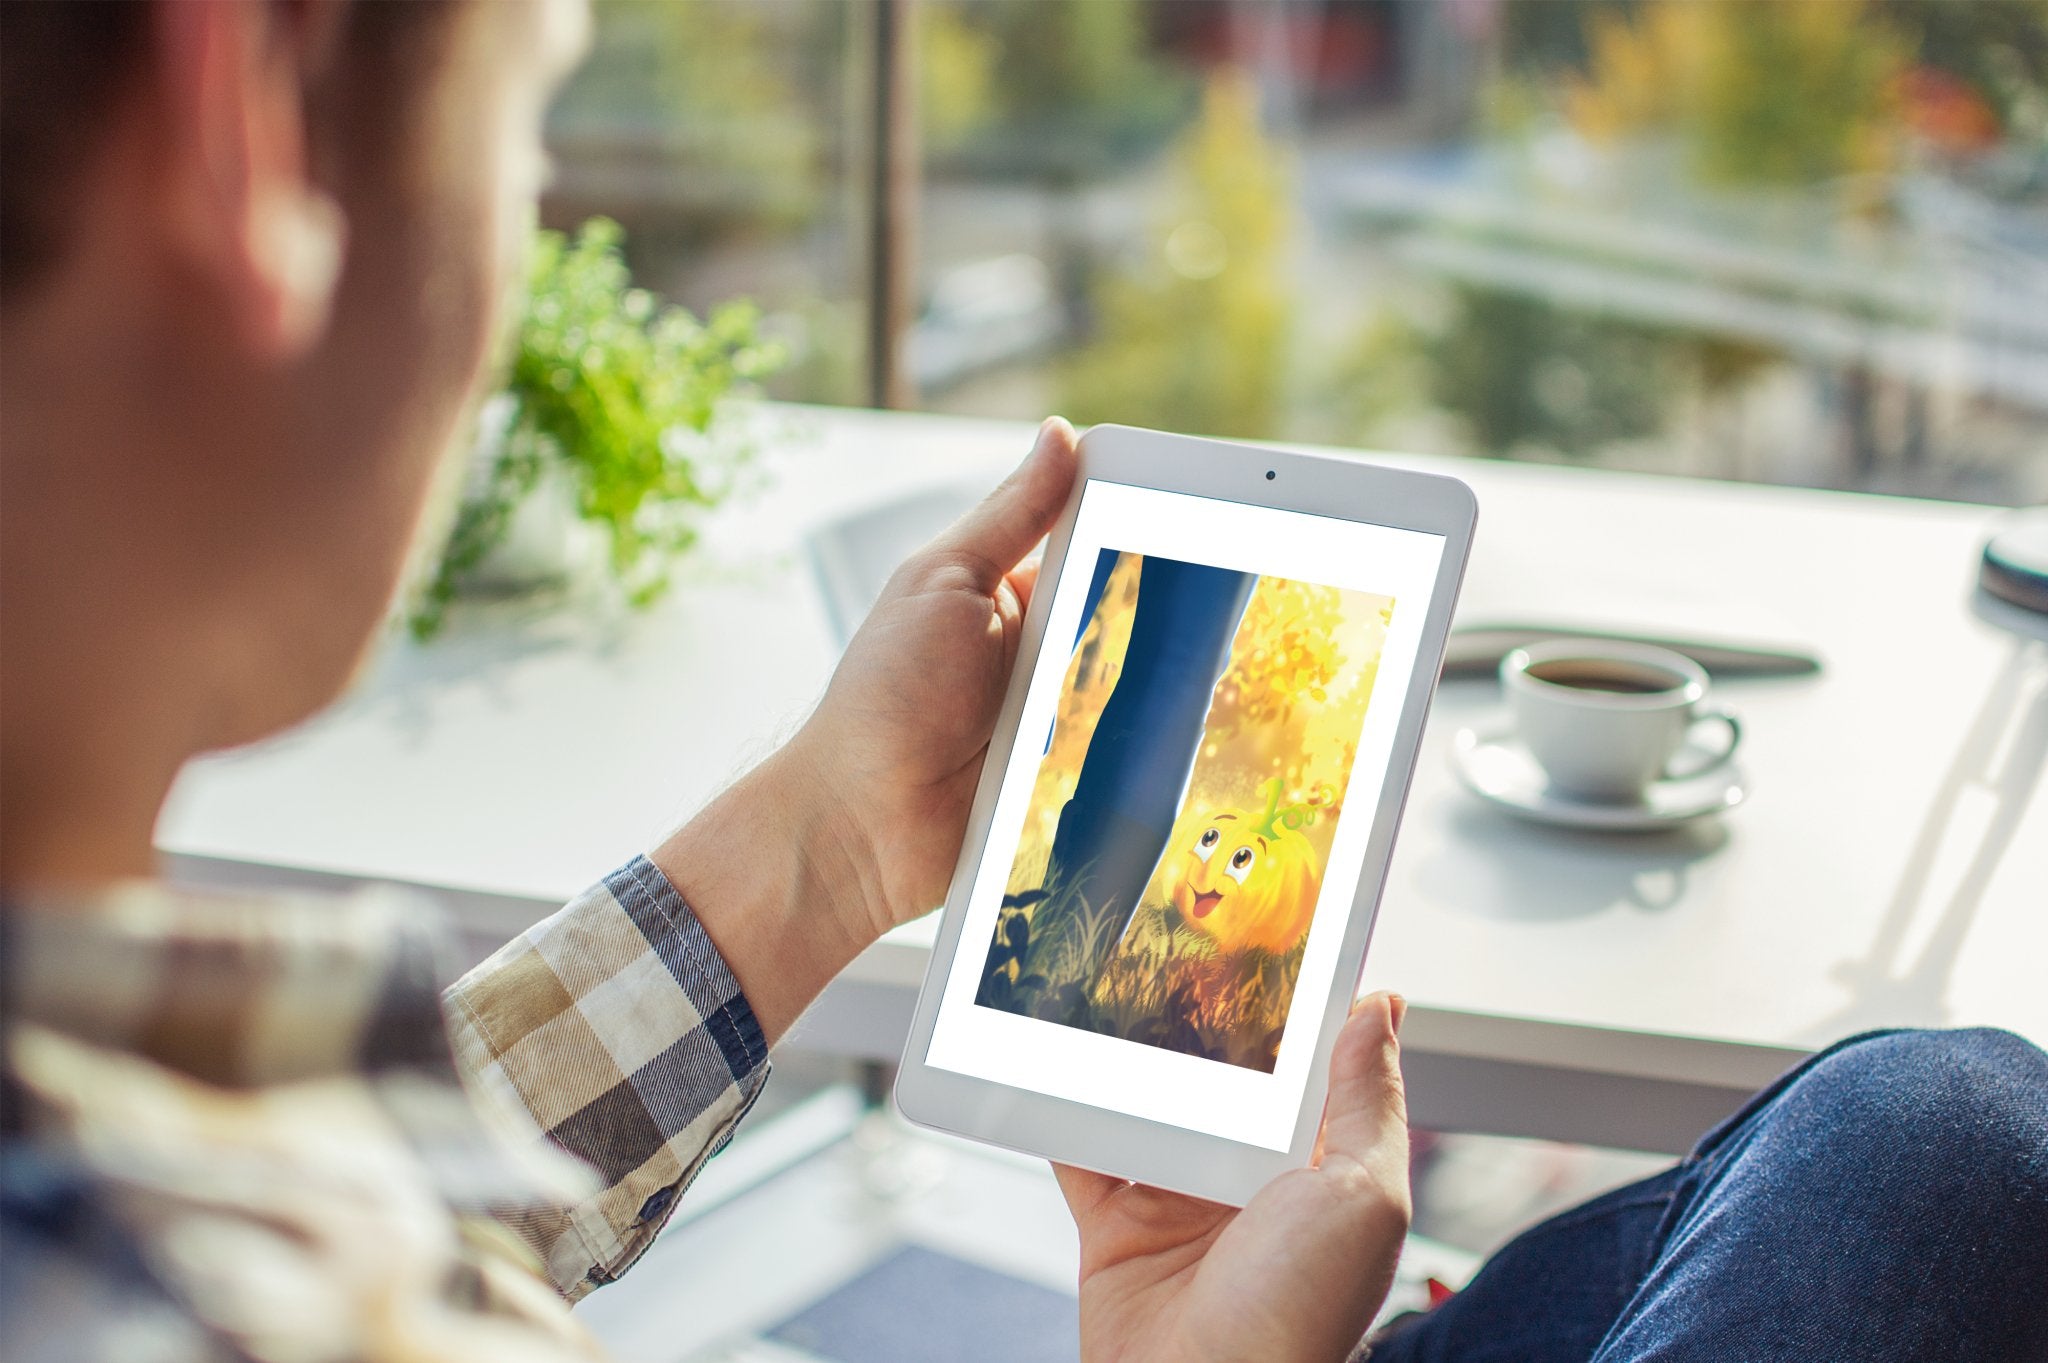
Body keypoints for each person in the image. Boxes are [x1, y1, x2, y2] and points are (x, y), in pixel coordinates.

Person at [0, 4, 2040, 1363]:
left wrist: (818, 846)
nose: (529, 241)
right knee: (1948, 1158)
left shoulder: (189, 1172)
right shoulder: (223, 1289)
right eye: (531, 104)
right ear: (237, 121)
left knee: (1934, 1148)